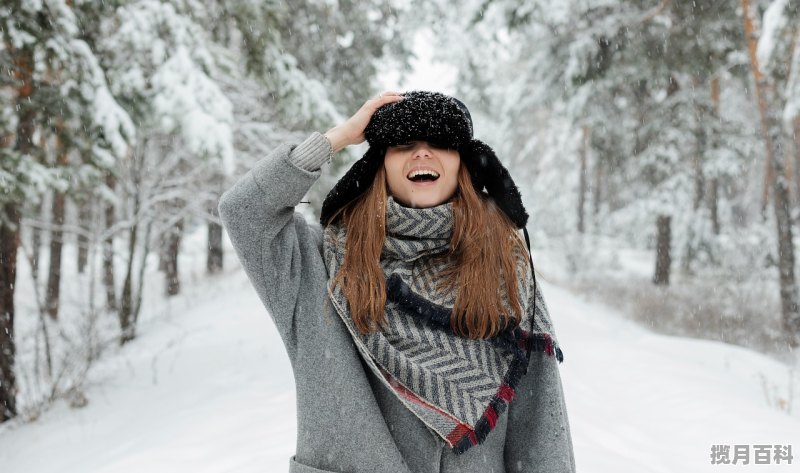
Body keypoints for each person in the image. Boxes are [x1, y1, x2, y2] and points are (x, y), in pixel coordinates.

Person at [218, 90, 575, 473]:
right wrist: (338, 137)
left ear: (464, 164)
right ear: (380, 165)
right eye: (403, 144)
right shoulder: (322, 265)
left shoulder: (506, 268)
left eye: (440, 142)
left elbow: (541, 431)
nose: (422, 153)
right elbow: (245, 212)